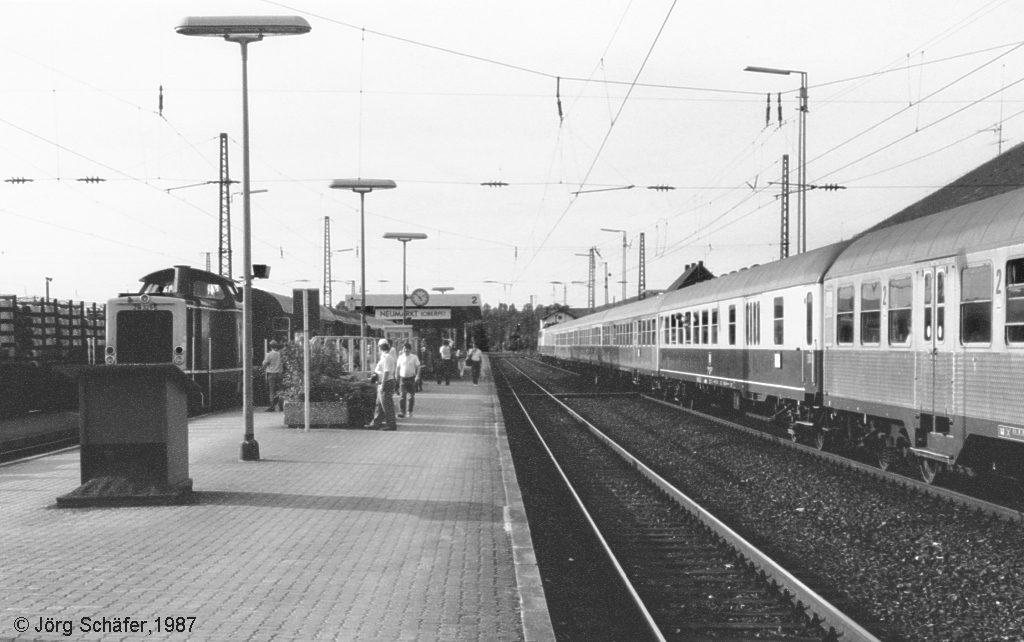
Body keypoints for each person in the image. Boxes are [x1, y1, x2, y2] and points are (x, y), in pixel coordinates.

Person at [365, 339, 398, 431]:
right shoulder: (384, 357)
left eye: (378, 347)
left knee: (387, 405)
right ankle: (375, 423)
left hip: (386, 383)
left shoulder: (387, 357)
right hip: (382, 383)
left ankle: (391, 425)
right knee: (379, 405)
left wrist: (383, 384)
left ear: (381, 347)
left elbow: (386, 372)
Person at [396, 342, 421, 418]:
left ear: (410, 350)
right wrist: (396, 377)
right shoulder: (400, 357)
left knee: (411, 396)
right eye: (404, 348)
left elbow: (418, 367)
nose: (405, 350)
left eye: (407, 349)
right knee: (402, 396)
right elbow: (398, 368)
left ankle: (410, 411)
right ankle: (402, 412)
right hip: (403, 378)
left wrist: (418, 376)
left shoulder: (414, 357)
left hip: (411, 378)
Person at [262, 340, 284, 411]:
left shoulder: (269, 354)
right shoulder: (280, 354)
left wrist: (264, 366)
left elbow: (265, 364)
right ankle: (281, 406)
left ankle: (272, 407)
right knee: (280, 390)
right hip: (280, 373)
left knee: (271, 391)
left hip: (271, 374)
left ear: (270, 346)